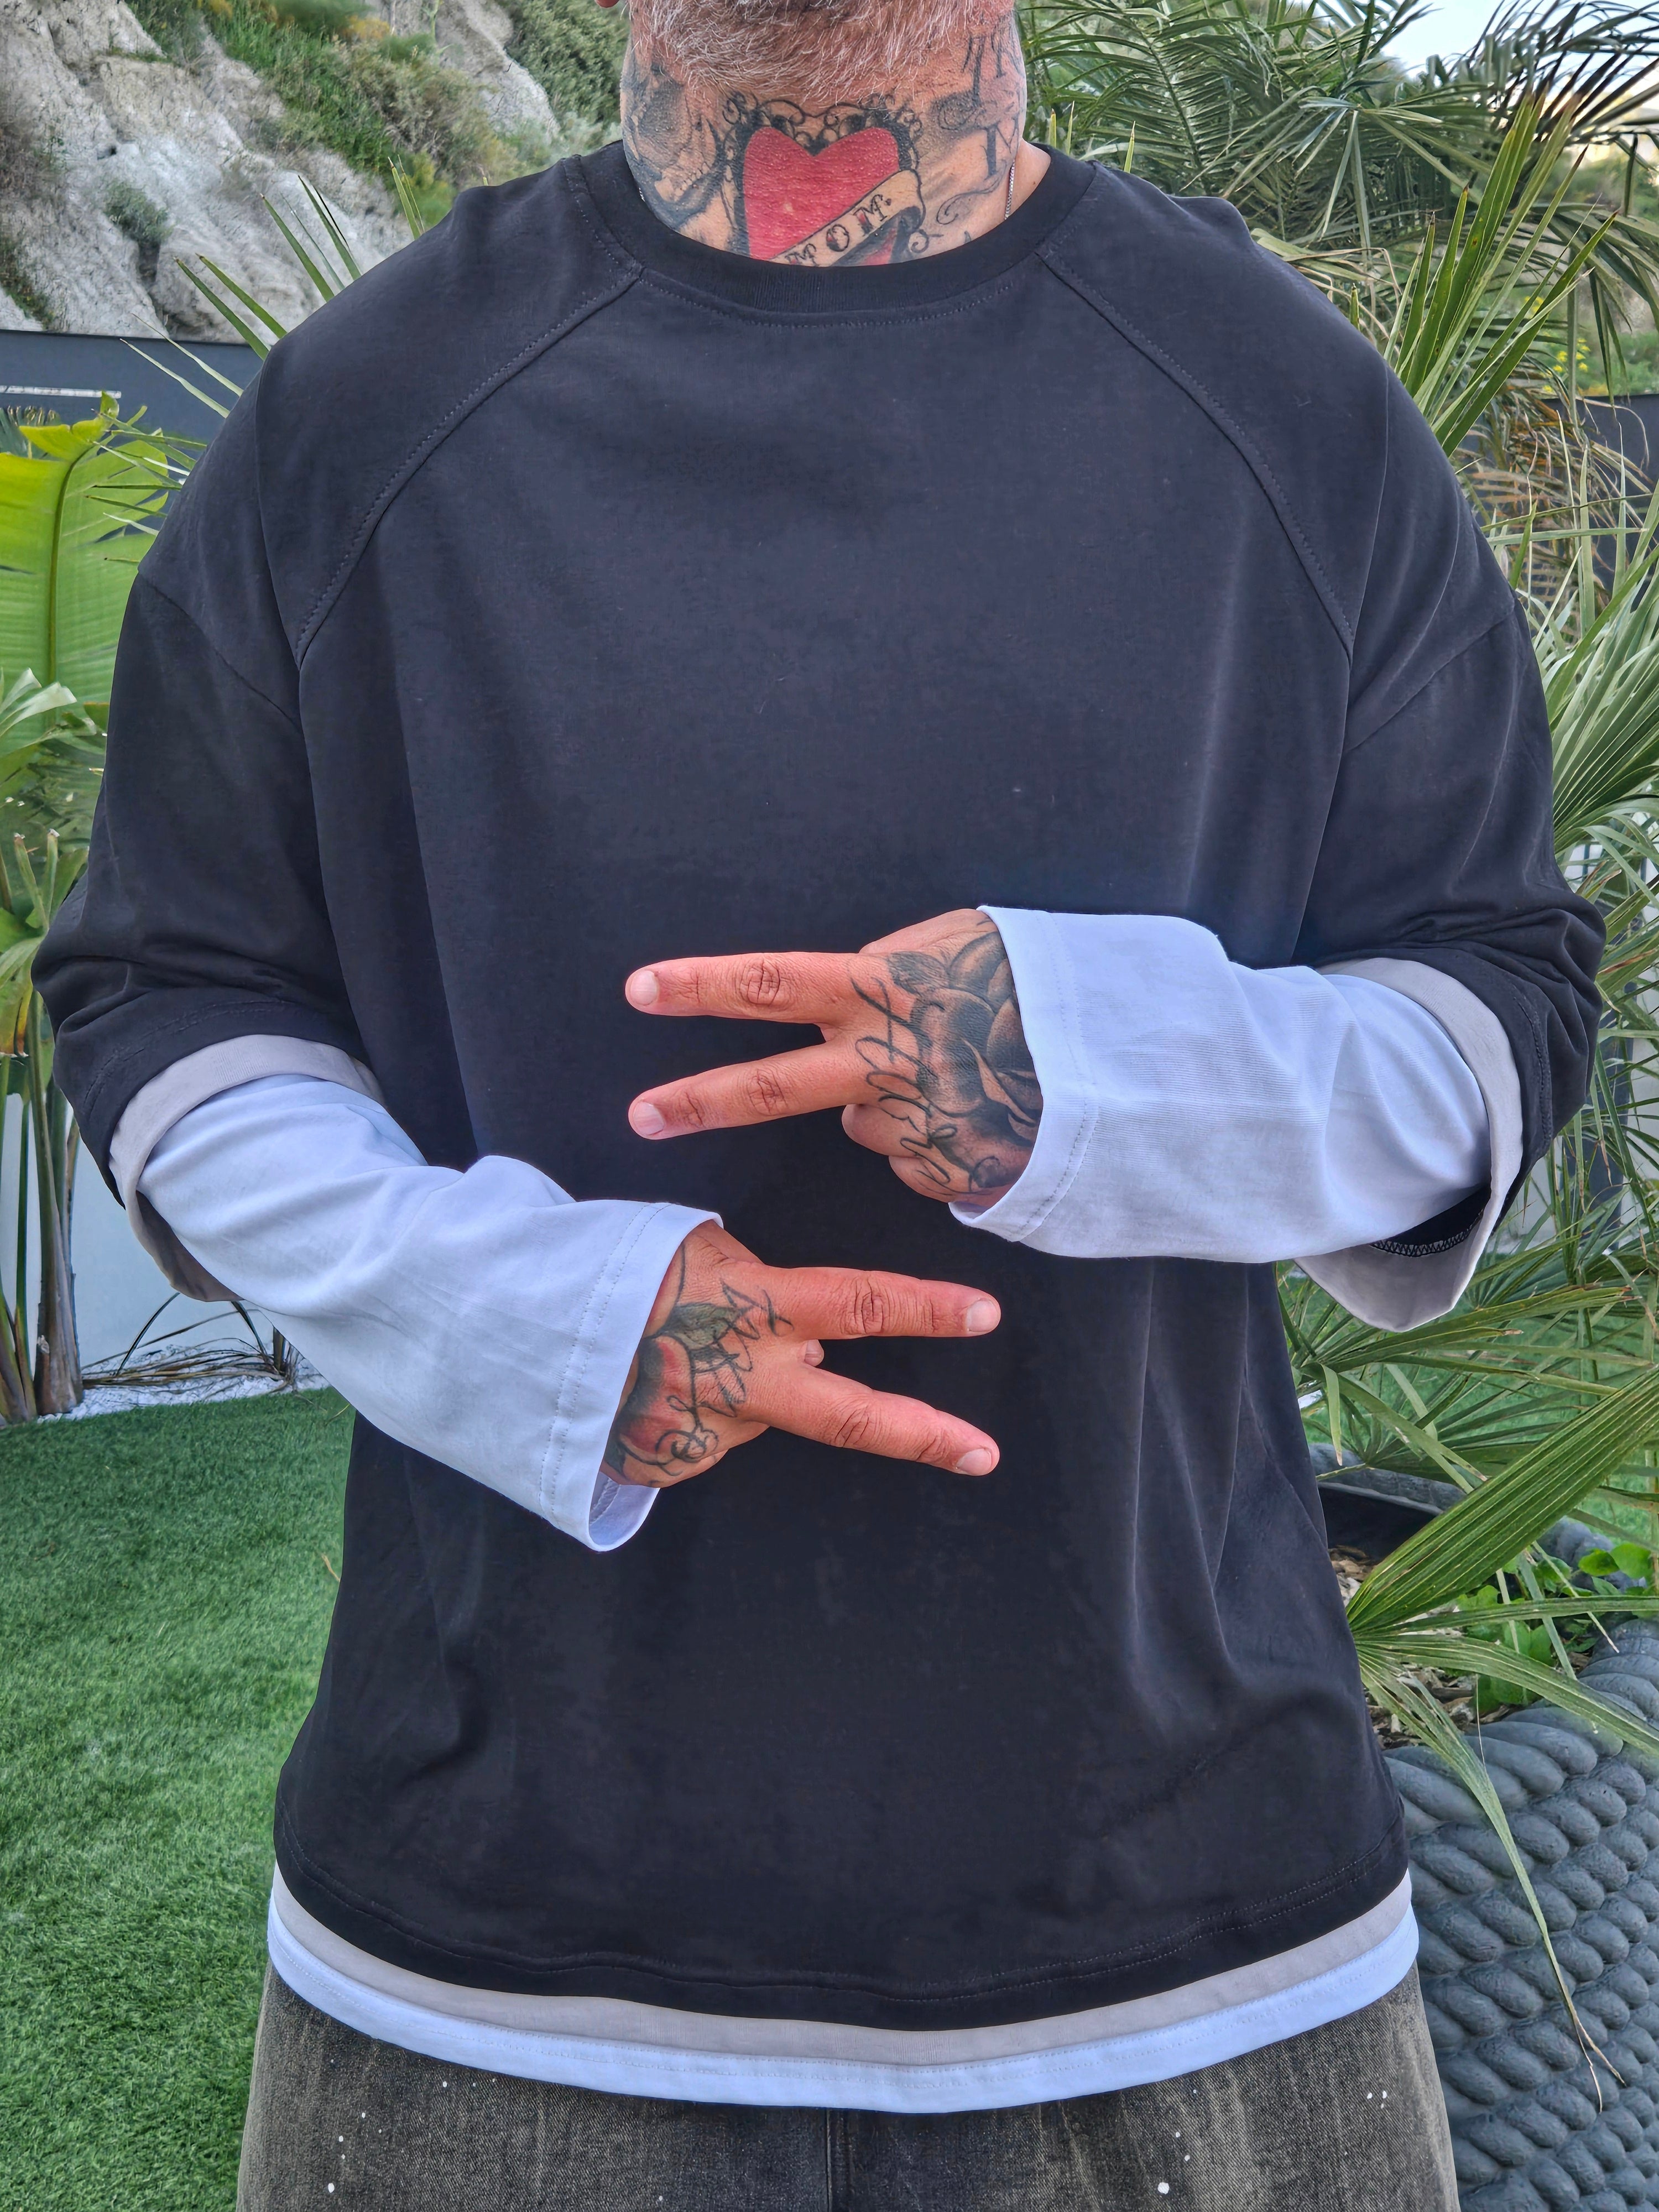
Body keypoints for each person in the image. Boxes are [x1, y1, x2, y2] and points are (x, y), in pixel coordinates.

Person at [38, 0, 1600, 2194]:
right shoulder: (359, 411)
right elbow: (168, 996)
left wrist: (1115, 1072)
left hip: (1204, 1948)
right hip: (491, 1967)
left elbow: (1501, 997)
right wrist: (530, 1316)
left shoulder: (1286, 402)